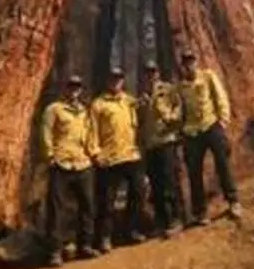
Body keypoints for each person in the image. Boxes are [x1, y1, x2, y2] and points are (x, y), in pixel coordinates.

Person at [178, 50, 243, 224]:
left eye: (191, 60)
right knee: (194, 171)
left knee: (222, 162)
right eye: (186, 62)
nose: (189, 64)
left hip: (211, 124)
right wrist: (182, 130)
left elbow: (220, 96)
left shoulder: (207, 76)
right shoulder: (181, 87)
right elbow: (181, 110)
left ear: (196, 61)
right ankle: (200, 212)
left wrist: (223, 120)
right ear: (182, 65)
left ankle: (233, 201)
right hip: (192, 132)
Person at [40, 74, 98, 267]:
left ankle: (85, 245)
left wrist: (92, 154)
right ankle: (55, 251)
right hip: (62, 163)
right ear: (65, 88)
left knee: (87, 206)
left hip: (83, 163)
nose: (74, 90)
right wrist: (50, 156)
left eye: (77, 87)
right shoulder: (54, 109)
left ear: (81, 90)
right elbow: (46, 132)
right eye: (71, 86)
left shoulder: (84, 111)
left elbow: (90, 134)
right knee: (57, 209)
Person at [90, 66, 145, 252]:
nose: (116, 82)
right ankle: (104, 237)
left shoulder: (129, 101)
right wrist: (96, 153)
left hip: (131, 154)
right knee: (107, 200)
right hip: (109, 158)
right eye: (113, 78)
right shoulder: (98, 104)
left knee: (138, 192)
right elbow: (93, 131)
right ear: (107, 81)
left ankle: (131, 230)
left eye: (119, 78)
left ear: (123, 81)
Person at [138, 60, 185, 237]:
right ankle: (161, 221)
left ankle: (175, 219)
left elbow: (179, 110)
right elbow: (140, 122)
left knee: (169, 181)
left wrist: (169, 121)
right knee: (156, 184)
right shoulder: (143, 96)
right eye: (147, 72)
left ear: (157, 73)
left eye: (153, 72)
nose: (150, 75)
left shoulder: (168, 90)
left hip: (166, 141)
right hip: (151, 145)